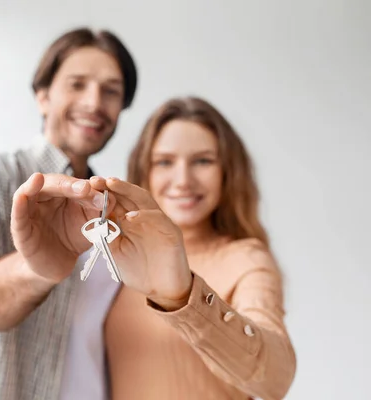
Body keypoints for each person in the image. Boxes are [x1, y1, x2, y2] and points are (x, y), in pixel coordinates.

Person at [0, 27, 138, 400]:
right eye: (77, 84)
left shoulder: (116, 205)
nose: (94, 102)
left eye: (110, 91)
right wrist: (37, 267)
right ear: (43, 96)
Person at [87, 96, 297, 399]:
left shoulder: (246, 260)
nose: (183, 180)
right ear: (143, 170)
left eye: (203, 161)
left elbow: (274, 379)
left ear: (228, 172)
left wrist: (184, 298)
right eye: (165, 162)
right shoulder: (116, 255)